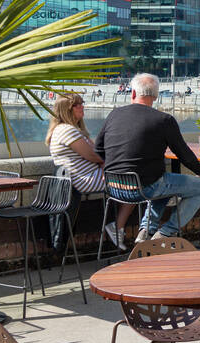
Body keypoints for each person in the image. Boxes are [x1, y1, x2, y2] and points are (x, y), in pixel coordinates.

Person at [94, 72, 200, 242]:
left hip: (113, 187)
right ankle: (164, 233)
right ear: (156, 96)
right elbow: (183, 152)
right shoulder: (164, 120)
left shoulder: (114, 115)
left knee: (164, 183)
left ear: (133, 93)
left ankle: (146, 232)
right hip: (145, 188)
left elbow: (98, 150)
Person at [46, 93, 134, 251]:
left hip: (88, 176)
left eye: (81, 103)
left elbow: (98, 154)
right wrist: (103, 162)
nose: (81, 106)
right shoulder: (67, 130)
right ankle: (118, 227)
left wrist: (103, 162)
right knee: (136, 184)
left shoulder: (72, 130)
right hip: (84, 179)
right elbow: (94, 155)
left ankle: (118, 228)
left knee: (133, 182)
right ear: (66, 110)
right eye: (76, 104)